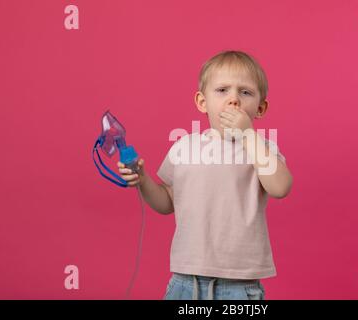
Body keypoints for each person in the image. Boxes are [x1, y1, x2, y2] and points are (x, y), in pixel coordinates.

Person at [117, 50, 293, 300]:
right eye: (222, 90)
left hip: (239, 286)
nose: (234, 100)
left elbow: (280, 187)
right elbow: (167, 202)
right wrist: (144, 181)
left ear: (261, 108)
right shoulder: (184, 146)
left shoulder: (261, 149)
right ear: (202, 102)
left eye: (245, 92)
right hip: (185, 282)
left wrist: (249, 135)